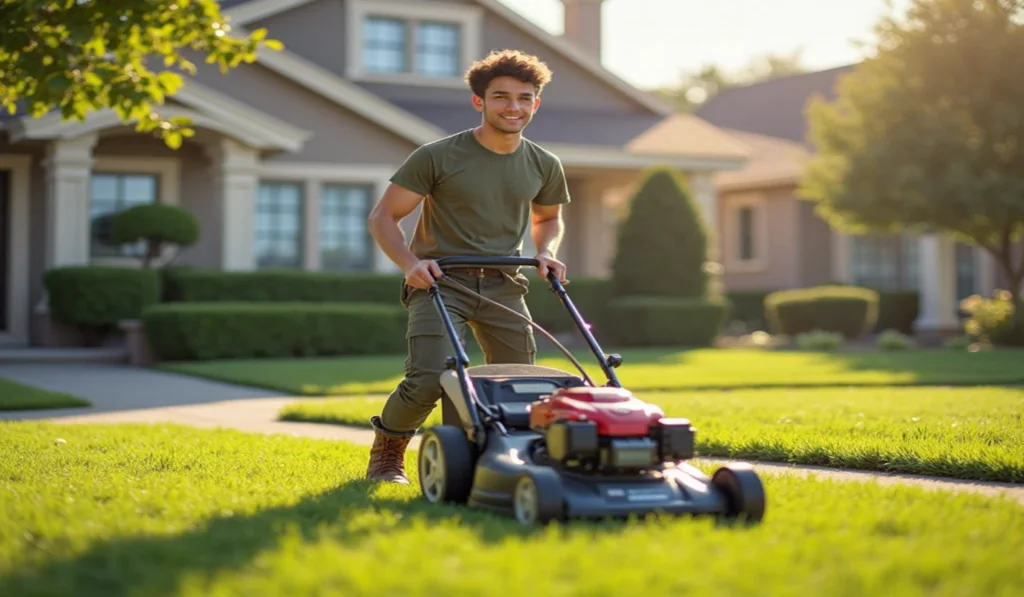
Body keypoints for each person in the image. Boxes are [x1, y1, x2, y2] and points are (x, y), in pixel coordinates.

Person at [364, 49, 571, 484]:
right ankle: (387, 456)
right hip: (441, 282)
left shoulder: (544, 164)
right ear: (479, 101)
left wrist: (546, 251)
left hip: (504, 284)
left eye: (523, 97)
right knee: (428, 378)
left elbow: (548, 218)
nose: (513, 106)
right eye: (501, 97)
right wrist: (409, 263)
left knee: (520, 383)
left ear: (536, 103)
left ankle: (506, 463)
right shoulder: (438, 156)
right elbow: (384, 217)